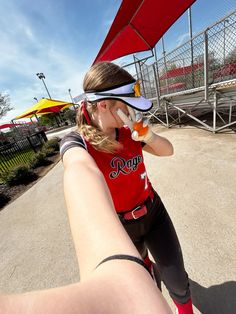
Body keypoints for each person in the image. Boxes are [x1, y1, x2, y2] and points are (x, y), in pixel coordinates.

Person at [59, 61, 194, 314]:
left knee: (176, 279)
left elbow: (168, 151)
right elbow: (78, 170)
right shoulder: (78, 142)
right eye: (126, 105)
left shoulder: (128, 131)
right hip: (121, 226)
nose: (132, 111)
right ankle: (147, 265)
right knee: (146, 284)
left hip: (153, 213)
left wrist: (148, 136)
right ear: (103, 104)